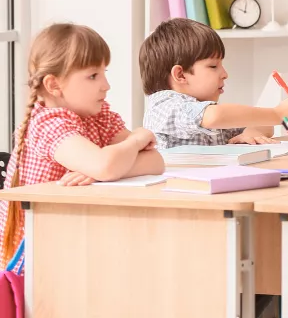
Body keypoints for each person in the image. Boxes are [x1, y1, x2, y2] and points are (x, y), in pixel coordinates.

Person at [0, 24, 165, 265]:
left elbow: (155, 162)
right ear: (54, 85)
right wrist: (137, 139)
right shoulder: (48, 123)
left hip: (73, 240)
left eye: (104, 72)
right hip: (34, 260)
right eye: (93, 76)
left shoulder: (98, 116)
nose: (106, 85)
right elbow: (105, 165)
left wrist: (102, 172)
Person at [140, 18, 288, 148]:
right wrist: (277, 114)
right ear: (181, 74)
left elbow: (265, 127)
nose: (225, 74)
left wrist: (249, 131)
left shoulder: (204, 111)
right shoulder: (165, 106)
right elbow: (215, 116)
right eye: (213, 66)